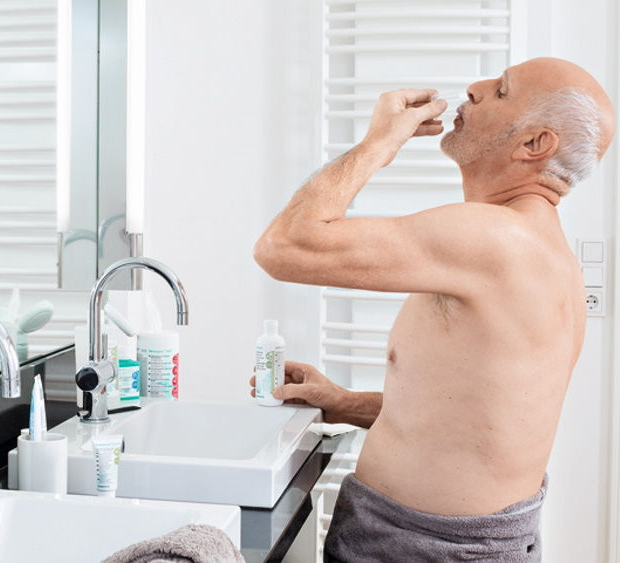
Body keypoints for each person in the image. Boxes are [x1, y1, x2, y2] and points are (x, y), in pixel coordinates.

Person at [252, 57, 615, 561]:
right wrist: (343, 401)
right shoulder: (545, 253)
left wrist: (379, 142)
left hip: (423, 547)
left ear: (535, 144)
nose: (475, 87)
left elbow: (284, 246)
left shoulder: (495, 238)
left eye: (502, 91)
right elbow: (471, 425)